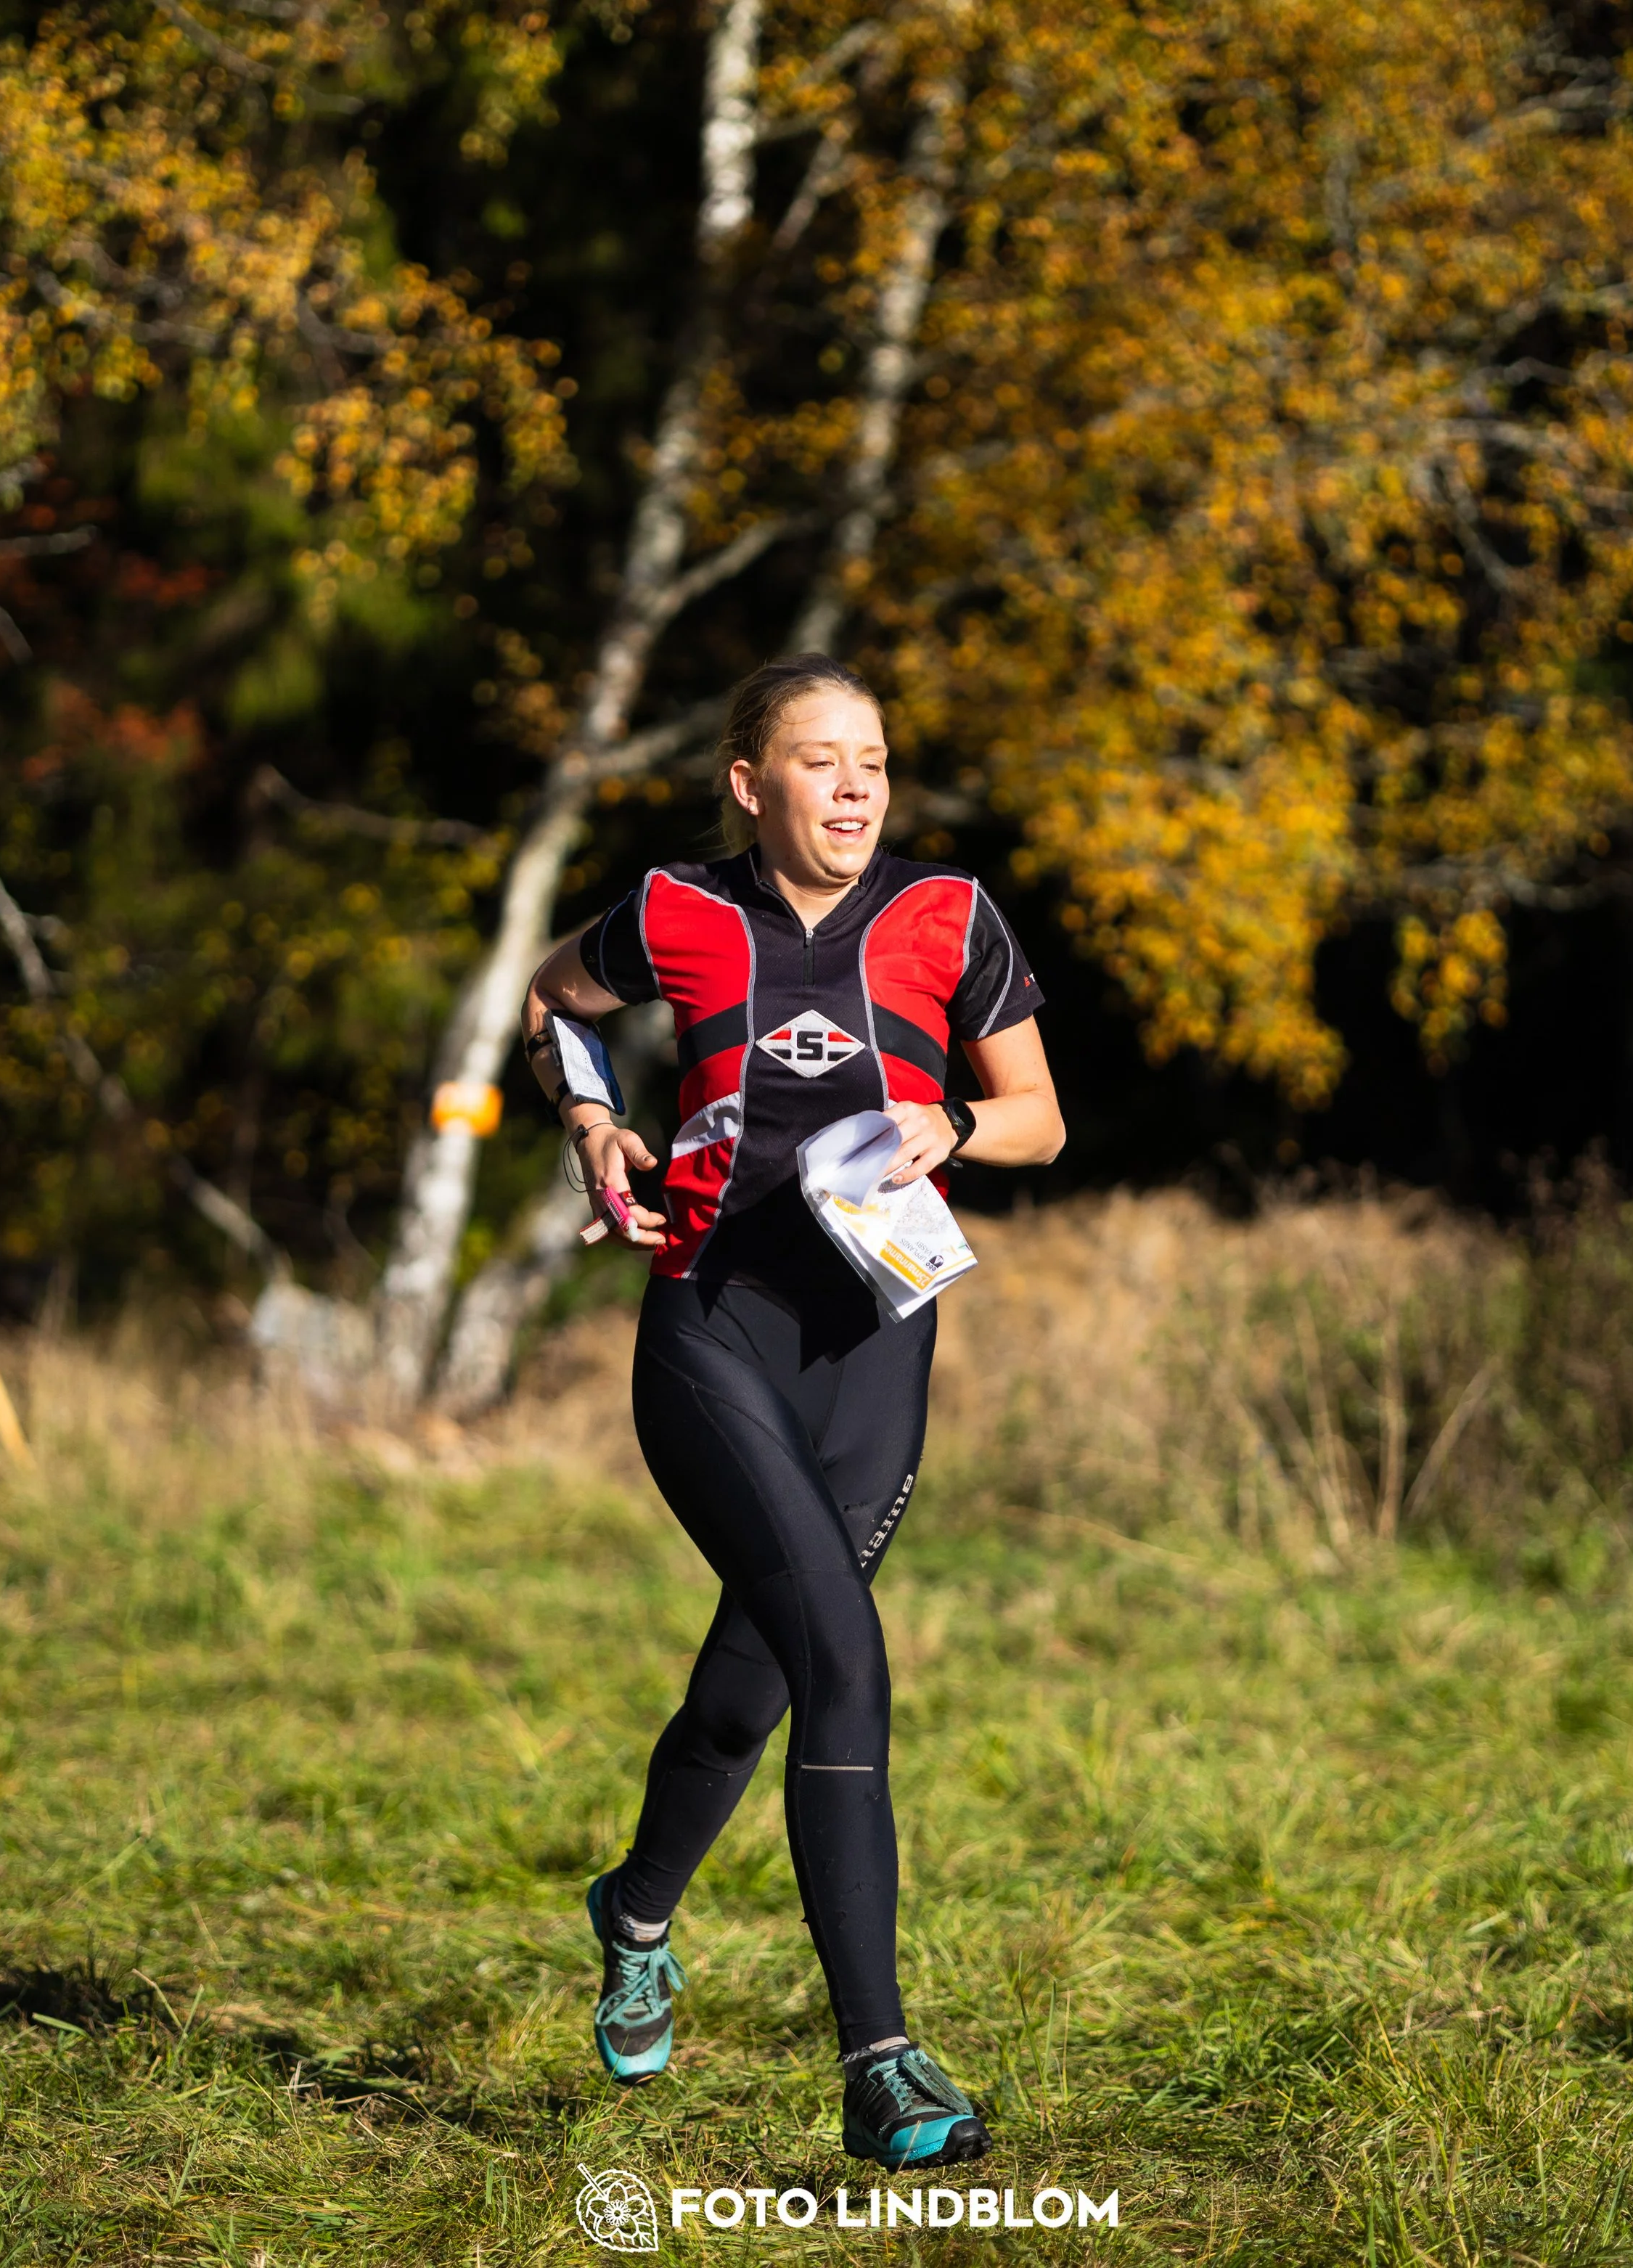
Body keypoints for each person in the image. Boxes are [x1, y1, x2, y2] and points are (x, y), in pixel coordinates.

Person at [521, 655, 1063, 2171]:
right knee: (843, 1651)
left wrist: (950, 1117)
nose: (852, 784)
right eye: (817, 760)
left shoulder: (949, 914)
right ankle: (879, 2058)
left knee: (749, 1689)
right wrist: (591, 1119)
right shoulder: (673, 910)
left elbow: (1039, 1115)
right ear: (748, 783)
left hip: (879, 1345)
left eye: (873, 759)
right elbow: (554, 1000)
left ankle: (632, 1907)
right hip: (709, 1327)